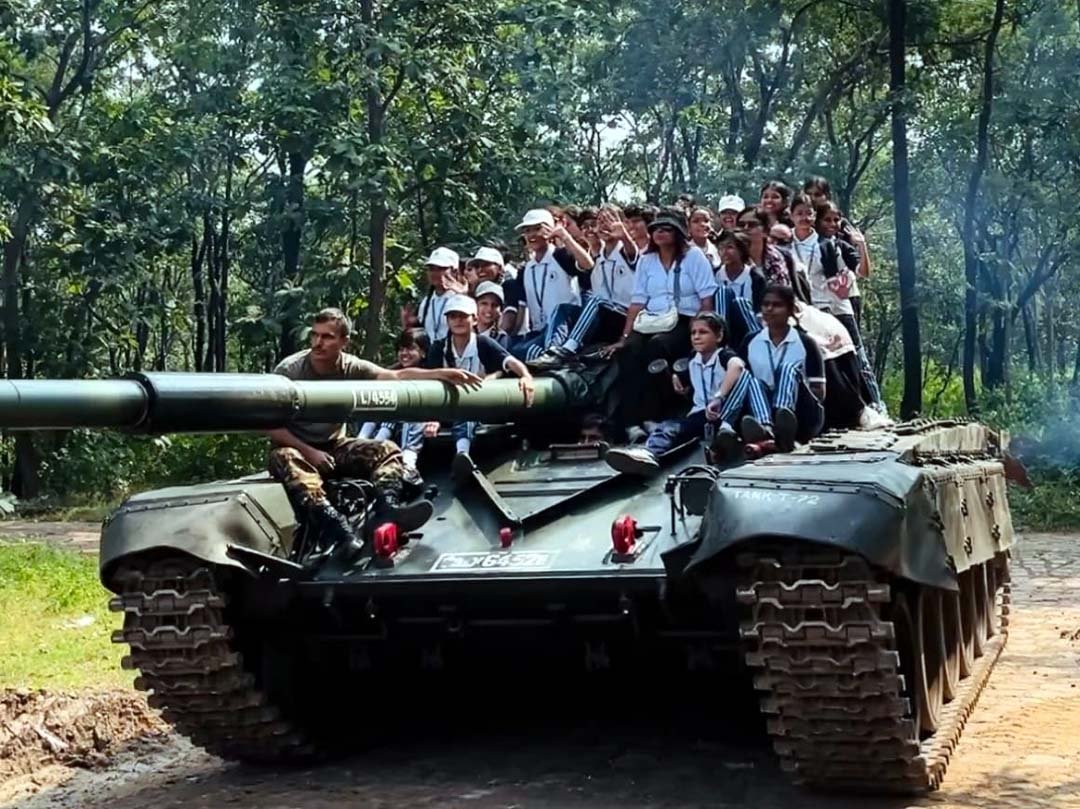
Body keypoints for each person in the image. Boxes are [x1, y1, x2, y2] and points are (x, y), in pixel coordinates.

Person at [268, 309, 483, 560]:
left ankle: (388, 506)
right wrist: (309, 452)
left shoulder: (349, 366)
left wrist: (440, 373)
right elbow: (267, 424)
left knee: (387, 449)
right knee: (286, 457)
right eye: (314, 335)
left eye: (327, 337)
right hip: (297, 449)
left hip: (333, 445)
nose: (318, 343)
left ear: (343, 342)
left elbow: (394, 376)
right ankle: (335, 526)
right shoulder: (290, 370)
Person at [601, 207, 717, 442]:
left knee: (657, 347)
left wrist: (701, 332)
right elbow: (637, 302)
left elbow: (706, 299)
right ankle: (631, 423)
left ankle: (653, 416)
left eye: (667, 229)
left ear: (678, 232)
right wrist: (624, 337)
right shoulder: (646, 260)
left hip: (684, 318)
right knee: (629, 351)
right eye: (657, 229)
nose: (661, 233)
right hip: (652, 319)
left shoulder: (694, 257)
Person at [605, 312, 769, 474]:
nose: (696, 337)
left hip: (726, 410)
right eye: (693, 333)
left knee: (746, 378)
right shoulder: (693, 359)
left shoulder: (723, 355)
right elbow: (688, 382)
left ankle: (736, 434)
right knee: (669, 428)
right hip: (701, 415)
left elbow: (737, 366)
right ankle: (648, 454)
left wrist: (719, 397)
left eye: (703, 332)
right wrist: (680, 383)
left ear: (718, 336)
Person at [424, 295, 535, 479]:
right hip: (444, 406)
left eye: (463, 316)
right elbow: (430, 381)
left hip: (475, 406)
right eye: (453, 316)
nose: (458, 321)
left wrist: (525, 376)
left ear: (474, 319)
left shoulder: (482, 343)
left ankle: (462, 454)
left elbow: (510, 361)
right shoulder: (439, 348)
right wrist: (432, 416)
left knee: (469, 409)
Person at [527, 205, 638, 369]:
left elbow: (632, 253)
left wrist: (625, 237)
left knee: (596, 299)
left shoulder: (624, 250)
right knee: (563, 308)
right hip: (603, 317)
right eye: (600, 222)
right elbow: (587, 262)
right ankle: (552, 351)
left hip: (624, 316)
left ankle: (569, 348)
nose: (604, 226)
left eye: (610, 220)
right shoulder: (598, 257)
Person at [739, 285, 826, 452]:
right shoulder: (751, 341)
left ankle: (784, 421)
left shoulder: (806, 343)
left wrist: (790, 388)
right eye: (766, 304)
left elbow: (819, 392)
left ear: (790, 310)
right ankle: (767, 430)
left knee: (787, 369)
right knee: (752, 381)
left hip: (802, 414)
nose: (770, 309)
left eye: (777, 305)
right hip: (763, 408)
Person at [506, 208, 595, 362]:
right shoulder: (526, 269)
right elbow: (522, 308)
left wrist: (565, 237)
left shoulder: (560, 256)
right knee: (514, 352)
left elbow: (587, 264)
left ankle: (553, 354)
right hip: (539, 332)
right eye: (528, 231)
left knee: (533, 351)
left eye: (537, 229)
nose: (532, 235)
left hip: (564, 327)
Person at [358, 328, 431, 482]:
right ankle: (364, 446)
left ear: (423, 352)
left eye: (410, 348)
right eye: (401, 349)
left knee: (412, 414)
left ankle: (408, 464)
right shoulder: (391, 373)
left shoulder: (430, 374)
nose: (404, 353)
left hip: (413, 424)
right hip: (388, 421)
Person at [713, 229, 766, 348]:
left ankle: (758, 344)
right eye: (721, 248)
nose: (724, 252)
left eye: (730, 247)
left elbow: (759, 311)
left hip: (747, 326)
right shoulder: (714, 274)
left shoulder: (755, 278)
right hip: (721, 325)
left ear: (742, 250)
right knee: (723, 292)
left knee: (740, 303)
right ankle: (721, 343)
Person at [403, 247, 466, 343]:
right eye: (431, 269)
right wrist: (410, 324)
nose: (435, 273)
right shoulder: (426, 302)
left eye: (441, 269)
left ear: (454, 271)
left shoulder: (461, 300)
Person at [737, 207, 789, 286]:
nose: (745, 228)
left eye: (752, 225)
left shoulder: (776, 259)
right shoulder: (731, 257)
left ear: (765, 231)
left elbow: (782, 292)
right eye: (741, 225)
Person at [474, 281, 509, 348]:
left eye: (495, 305)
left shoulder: (501, 338)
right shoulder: (465, 331)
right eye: (484, 303)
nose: (489, 309)